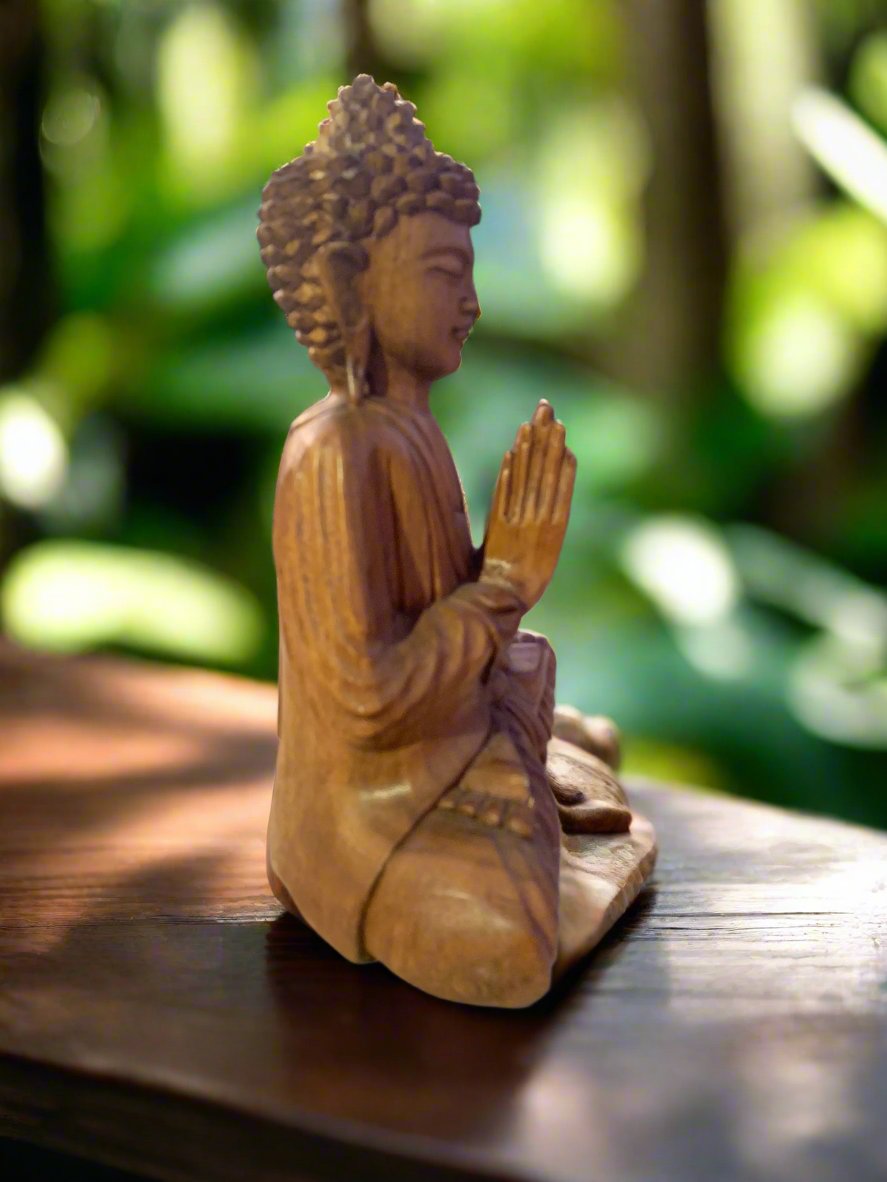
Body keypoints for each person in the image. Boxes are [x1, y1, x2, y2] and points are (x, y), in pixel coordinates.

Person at [260, 76, 634, 1006]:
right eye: (441, 274)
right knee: (507, 945)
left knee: (541, 679)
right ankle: (511, 807)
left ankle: (530, 781)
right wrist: (501, 584)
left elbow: (440, 620)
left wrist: (495, 576)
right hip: (369, 803)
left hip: (444, 741)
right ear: (351, 284)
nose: (469, 301)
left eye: (467, 273)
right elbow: (367, 697)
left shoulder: (412, 431)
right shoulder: (332, 451)